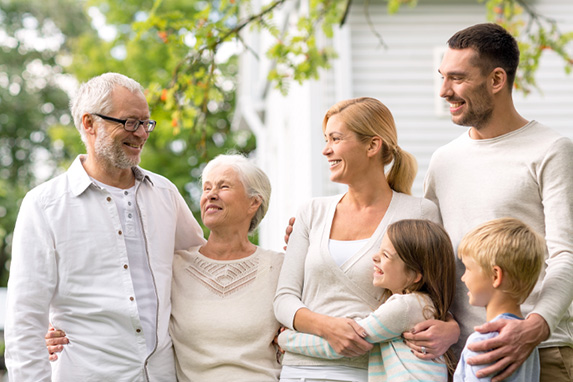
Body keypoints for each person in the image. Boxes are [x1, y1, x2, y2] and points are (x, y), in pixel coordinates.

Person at [4, 72, 205, 381]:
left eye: (145, 122)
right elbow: (25, 320)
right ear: (89, 123)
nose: (141, 133)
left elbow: (203, 268)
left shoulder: (165, 194)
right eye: (129, 122)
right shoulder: (44, 205)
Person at [419, 23, 573, 381]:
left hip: (540, 351)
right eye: (442, 77)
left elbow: (567, 253)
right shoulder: (444, 160)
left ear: (497, 79)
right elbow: (427, 253)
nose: (444, 91)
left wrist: (535, 327)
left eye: (457, 78)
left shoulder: (551, 150)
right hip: (466, 358)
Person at [273, 97, 459, 382]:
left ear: (373, 145)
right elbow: (284, 299)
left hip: (373, 372)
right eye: (326, 139)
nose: (326, 150)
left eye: (335, 139)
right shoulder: (312, 212)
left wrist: (452, 329)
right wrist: (328, 328)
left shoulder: (419, 212)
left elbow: (434, 295)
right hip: (302, 369)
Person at [278, 219, 456, 381]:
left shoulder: (403, 308)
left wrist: (286, 339)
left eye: (386, 255)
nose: (374, 257)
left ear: (415, 275)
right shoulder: (424, 305)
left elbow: (347, 340)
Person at [170, 154, 283, 381]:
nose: (211, 195)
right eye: (207, 188)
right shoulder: (174, 267)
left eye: (223, 187)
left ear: (254, 202)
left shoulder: (278, 267)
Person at [454, 218, 545, 382]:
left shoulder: (484, 342)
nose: (463, 278)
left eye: (468, 268)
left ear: (496, 276)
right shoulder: (528, 344)